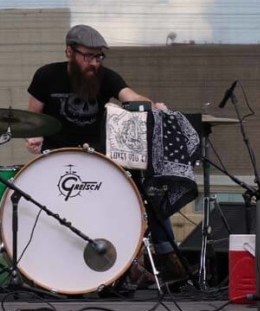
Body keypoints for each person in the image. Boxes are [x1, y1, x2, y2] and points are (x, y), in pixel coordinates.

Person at [25, 24, 189, 288]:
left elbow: (131, 97)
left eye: (99, 56)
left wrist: (151, 105)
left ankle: (160, 260)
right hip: (56, 160)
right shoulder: (46, 76)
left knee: (146, 187)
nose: (94, 63)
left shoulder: (106, 77)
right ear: (69, 52)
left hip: (97, 160)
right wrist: (32, 137)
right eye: (87, 56)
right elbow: (31, 118)